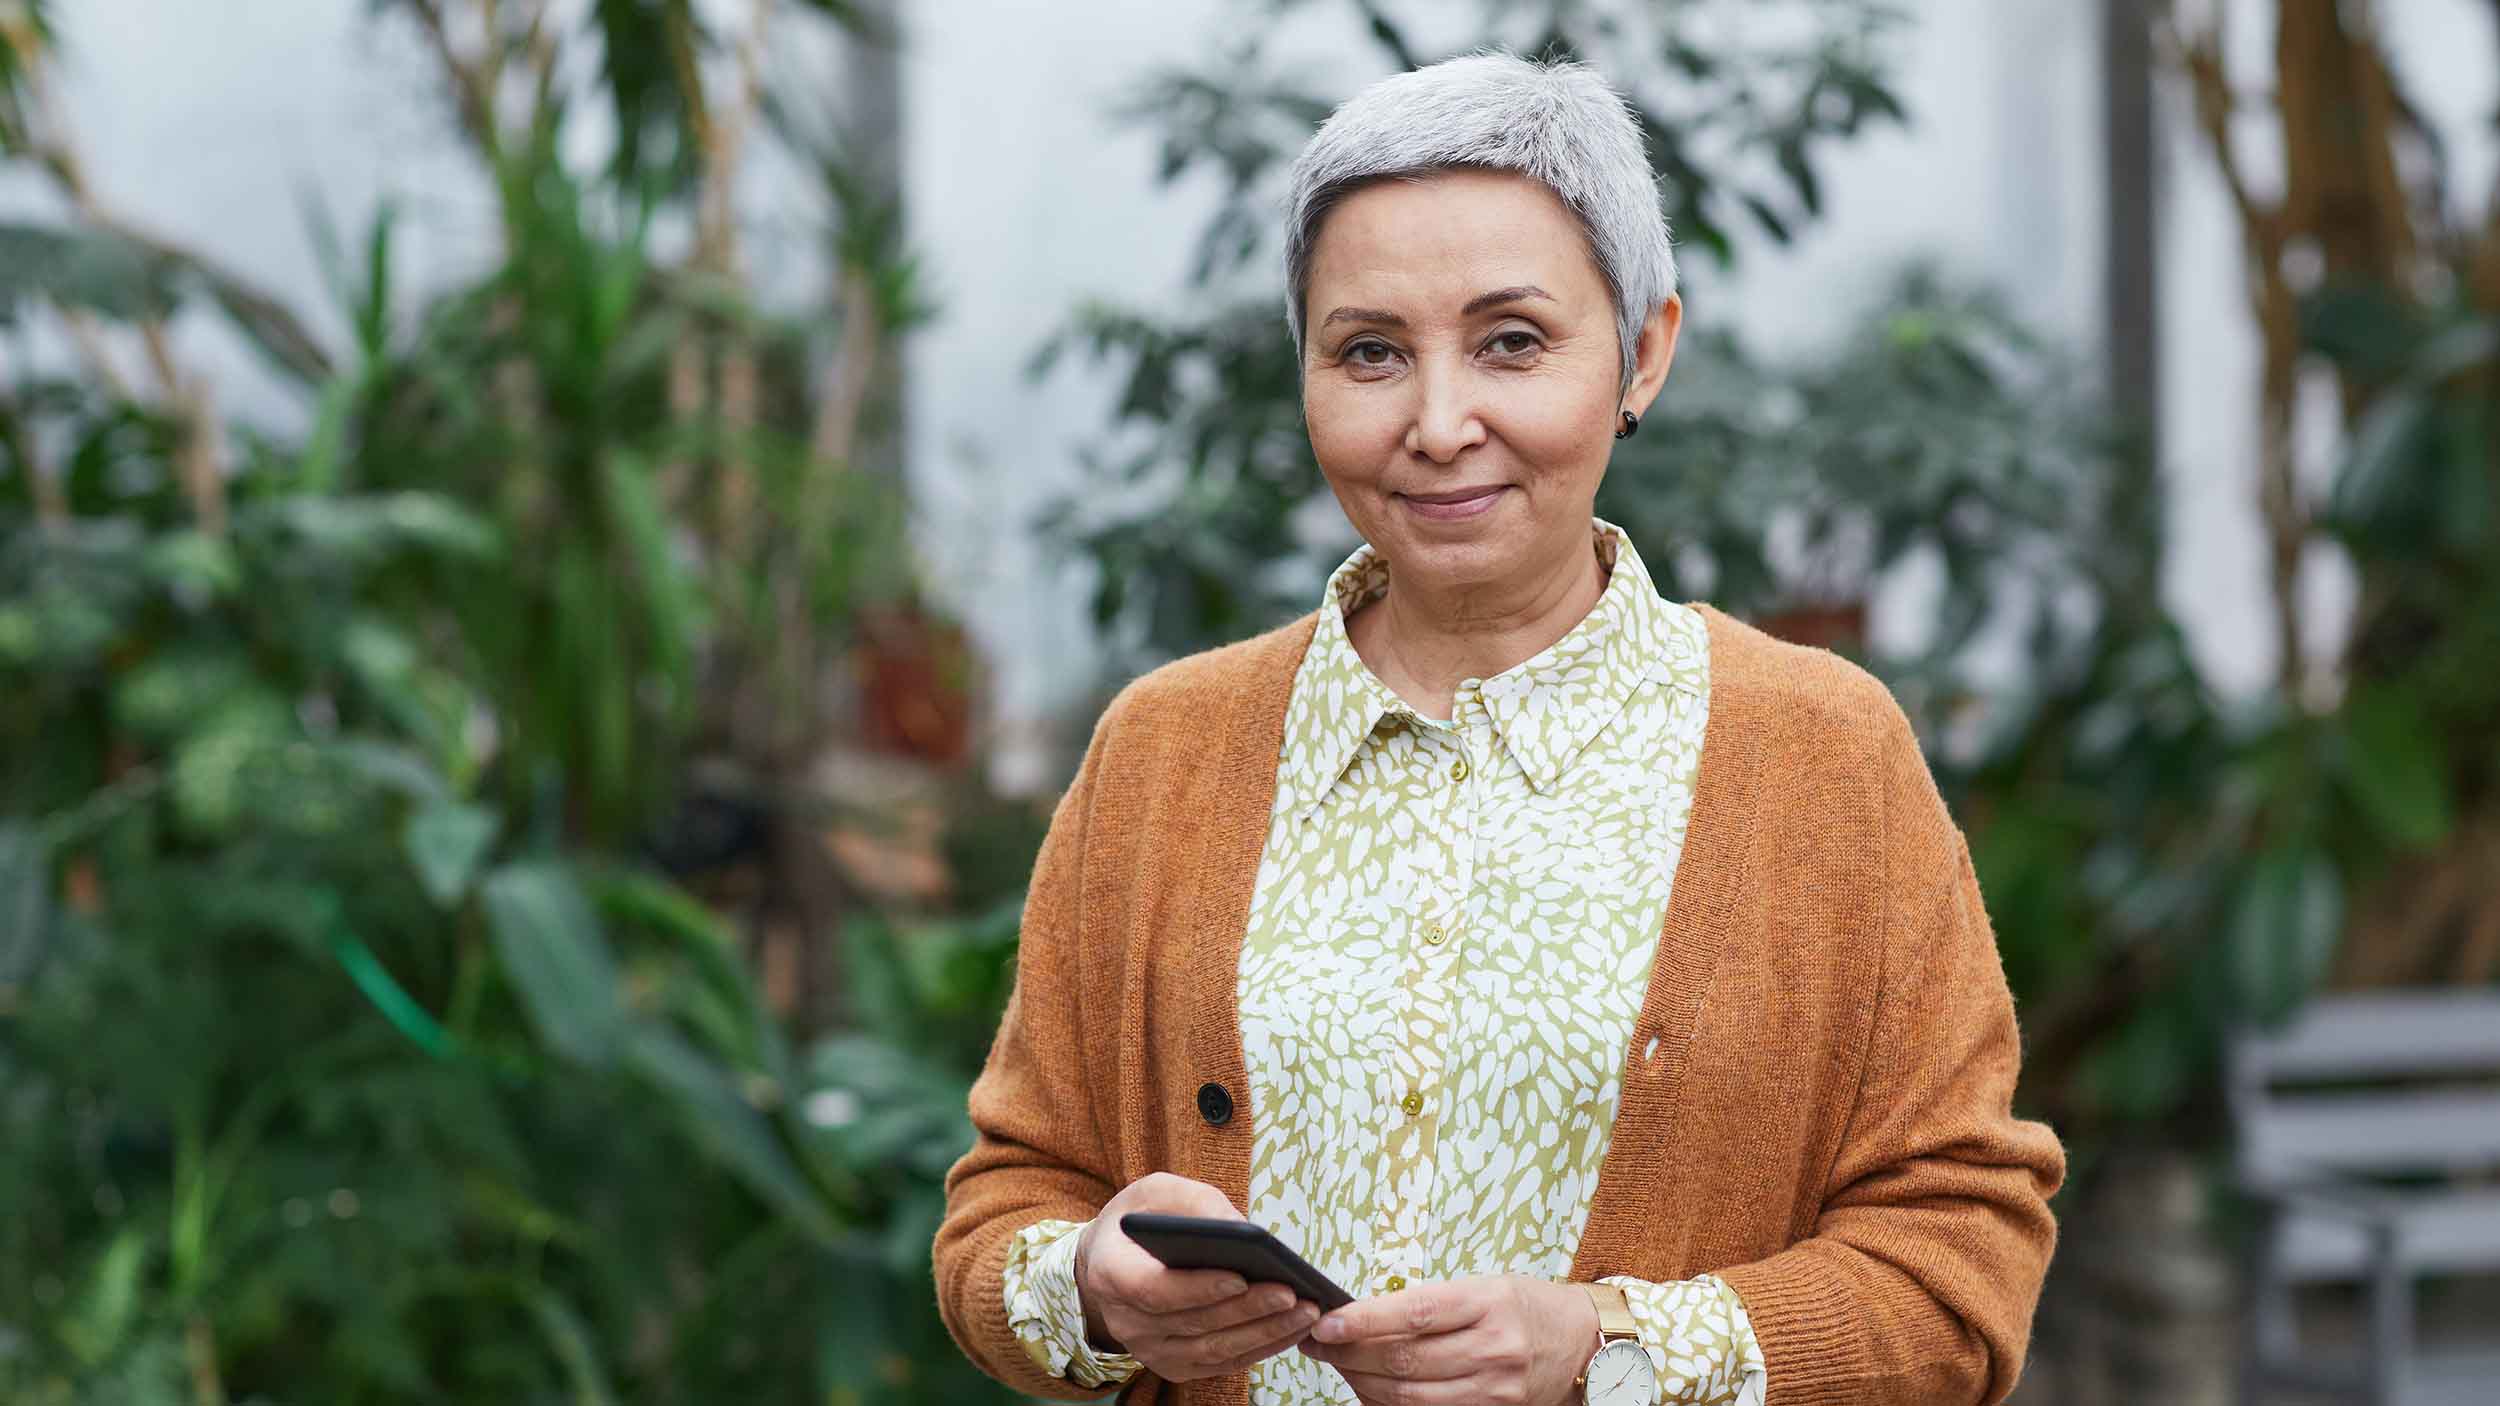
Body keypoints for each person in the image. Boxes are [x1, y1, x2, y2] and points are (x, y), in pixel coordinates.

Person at [933, 48, 2064, 1406]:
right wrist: (1094, 1289)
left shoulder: (1822, 757)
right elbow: (1005, 1207)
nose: (1439, 421)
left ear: (1643, 352)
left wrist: (1608, 1347)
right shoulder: (1166, 751)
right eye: (1369, 352)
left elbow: (1963, 1268)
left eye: (1513, 341)